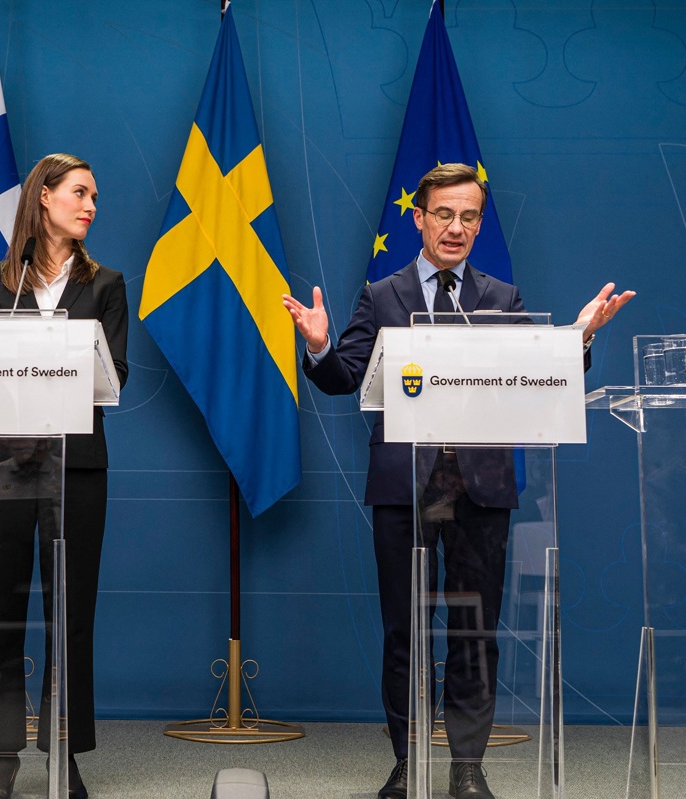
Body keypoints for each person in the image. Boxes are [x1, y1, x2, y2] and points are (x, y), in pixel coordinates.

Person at [282, 163, 633, 799]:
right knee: (404, 631)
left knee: (475, 630)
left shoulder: (502, 297)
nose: (456, 227)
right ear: (419, 218)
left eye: (469, 216)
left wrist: (577, 339)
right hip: (405, 487)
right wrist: (318, 347)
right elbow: (343, 379)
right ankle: (408, 759)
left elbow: (540, 375)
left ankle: (468, 764)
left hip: (481, 488)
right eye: (444, 214)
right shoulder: (382, 295)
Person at [0, 153, 129, 799]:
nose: (91, 205)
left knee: (72, 612)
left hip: (77, 466)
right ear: (44, 197)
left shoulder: (107, 283)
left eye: (94, 196)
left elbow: (115, 375)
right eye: (80, 193)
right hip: (5, 466)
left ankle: (65, 751)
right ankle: (1, 755)